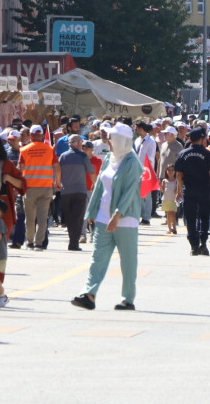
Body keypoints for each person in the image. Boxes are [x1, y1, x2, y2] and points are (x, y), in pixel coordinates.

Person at [72, 121, 142, 311]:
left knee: (128, 261)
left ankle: (128, 299)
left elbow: (129, 192)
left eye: (112, 138)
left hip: (125, 219)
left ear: (121, 141)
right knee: (97, 258)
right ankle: (89, 294)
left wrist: (117, 215)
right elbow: (100, 188)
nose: (108, 141)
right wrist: (93, 212)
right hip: (104, 217)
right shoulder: (108, 159)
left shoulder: (132, 163)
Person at [176, 128, 210, 255]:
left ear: (190, 139)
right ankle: (203, 243)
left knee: (190, 217)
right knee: (204, 217)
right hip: (204, 189)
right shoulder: (208, 154)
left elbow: (179, 174)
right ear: (202, 139)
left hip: (189, 189)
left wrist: (179, 190)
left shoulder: (183, 154)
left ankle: (194, 246)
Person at [18, 125, 59, 250]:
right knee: (42, 217)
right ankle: (39, 244)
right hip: (46, 187)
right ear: (41, 136)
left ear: (30, 135)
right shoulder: (49, 149)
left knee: (30, 218)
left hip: (29, 188)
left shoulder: (24, 150)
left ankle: (29, 242)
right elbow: (57, 167)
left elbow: (20, 169)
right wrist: (58, 182)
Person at [58, 135, 93, 250]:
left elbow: (58, 171)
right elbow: (92, 173)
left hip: (65, 192)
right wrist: (95, 184)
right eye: (81, 143)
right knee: (78, 218)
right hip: (80, 191)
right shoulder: (83, 156)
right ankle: (73, 243)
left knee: (69, 218)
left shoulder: (62, 157)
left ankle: (72, 240)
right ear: (78, 144)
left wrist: (58, 183)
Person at [162, 165, 179, 234]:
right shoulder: (164, 180)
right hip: (166, 199)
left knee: (173, 214)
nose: (170, 172)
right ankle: (169, 228)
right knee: (168, 214)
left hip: (173, 199)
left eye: (172, 170)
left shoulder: (176, 180)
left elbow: (179, 188)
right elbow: (162, 190)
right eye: (169, 170)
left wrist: (177, 190)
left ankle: (174, 227)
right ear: (166, 172)